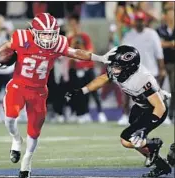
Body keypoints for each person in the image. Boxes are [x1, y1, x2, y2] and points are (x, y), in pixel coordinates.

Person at [0, 13, 117, 178]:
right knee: (9, 118)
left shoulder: (57, 43)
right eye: (44, 33)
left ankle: (26, 163)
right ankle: (16, 140)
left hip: (39, 91)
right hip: (19, 86)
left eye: (51, 34)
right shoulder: (22, 37)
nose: (48, 38)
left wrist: (100, 58)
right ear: (34, 31)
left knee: (34, 132)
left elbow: (77, 52)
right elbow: (7, 46)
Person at [65, 45, 172, 177]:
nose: (113, 70)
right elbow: (104, 78)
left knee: (127, 139)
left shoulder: (142, 79)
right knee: (136, 140)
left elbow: (159, 107)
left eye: (117, 67)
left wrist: (144, 129)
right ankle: (161, 164)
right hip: (140, 107)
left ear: (129, 67)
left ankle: (153, 145)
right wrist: (82, 91)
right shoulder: (121, 71)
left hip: (155, 110)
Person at [118, 11, 167, 126]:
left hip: (151, 71)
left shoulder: (152, 34)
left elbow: (159, 53)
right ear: (134, 21)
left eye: (141, 21)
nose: (139, 23)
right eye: (137, 21)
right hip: (133, 72)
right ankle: (125, 115)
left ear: (144, 21)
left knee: (156, 96)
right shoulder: (129, 35)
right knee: (127, 95)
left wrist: (162, 69)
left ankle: (162, 116)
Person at [156, 6, 175, 122]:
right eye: (170, 14)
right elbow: (158, 44)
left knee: (173, 89)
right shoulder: (159, 30)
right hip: (162, 63)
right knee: (158, 90)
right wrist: (171, 44)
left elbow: (162, 43)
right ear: (165, 16)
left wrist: (165, 43)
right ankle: (161, 114)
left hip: (174, 63)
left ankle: (171, 115)